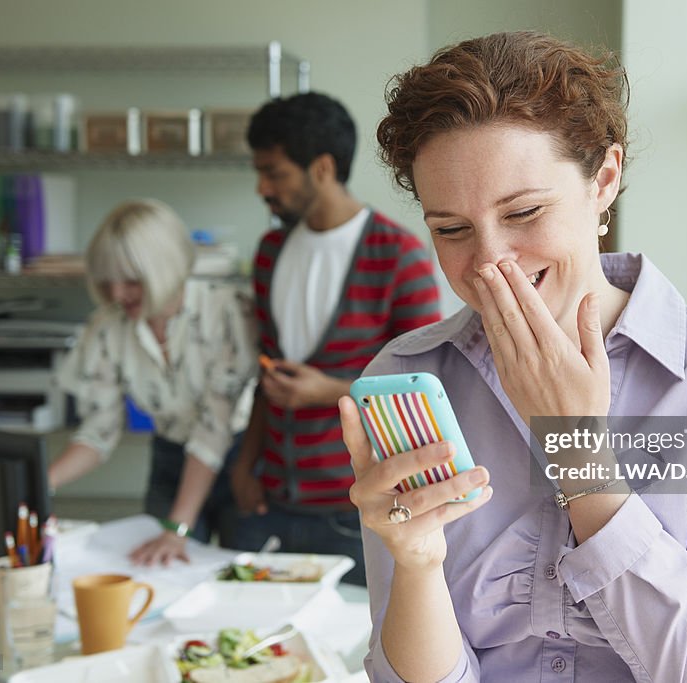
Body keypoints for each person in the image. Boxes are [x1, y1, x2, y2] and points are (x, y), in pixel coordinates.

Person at [340, 31, 687, 682]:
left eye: (523, 211)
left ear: (603, 180)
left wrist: (581, 456)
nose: (490, 258)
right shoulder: (405, 378)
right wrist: (414, 562)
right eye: (451, 229)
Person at [231, 92, 443, 585]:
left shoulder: (399, 256)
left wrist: (325, 391)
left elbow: (422, 383)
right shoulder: (269, 251)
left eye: (275, 172)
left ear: (322, 167)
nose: (262, 187)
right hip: (270, 500)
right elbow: (266, 369)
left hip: (355, 508)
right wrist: (244, 465)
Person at [50, 198, 257, 566]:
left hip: (237, 463)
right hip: (169, 459)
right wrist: (40, 483)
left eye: (131, 281)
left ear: (165, 268)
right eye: (107, 281)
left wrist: (178, 528)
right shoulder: (107, 327)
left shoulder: (226, 312)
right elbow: (99, 431)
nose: (116, 294)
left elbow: (214, 430)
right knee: (158, 571)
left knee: (235, 574)